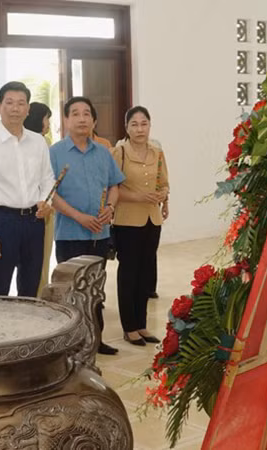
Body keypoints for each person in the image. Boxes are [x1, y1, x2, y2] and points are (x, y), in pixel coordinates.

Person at [50, 97, 124, 356]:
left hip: (100, 234)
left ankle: (95, 339)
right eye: (75, 114)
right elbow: (51, 194)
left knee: (95, 290)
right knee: (71, 292)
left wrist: (110, 208)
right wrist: (79, 216)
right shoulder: (55, 152)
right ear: (66, 120)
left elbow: (115, 184)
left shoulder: (103, 152)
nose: (82, 119)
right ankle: (71, 345)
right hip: (70, 234)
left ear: (94, 120)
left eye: (86, 114)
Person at [0, 82, 55, 297]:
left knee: (31, 284)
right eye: (9, 103)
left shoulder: (38, 142)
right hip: (2, 221)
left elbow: (48, 179)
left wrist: (48, 203)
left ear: (28, 109)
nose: (15, 108)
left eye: (21, 103)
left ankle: (28, 329)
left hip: (34, 221)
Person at [111, 106, 168, 346]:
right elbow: (112, 188)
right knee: (129, 274)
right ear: (127, 128)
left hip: (152, 220)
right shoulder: (119, 152)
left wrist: (164, 196)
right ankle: (129, 327)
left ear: (150, 125)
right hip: (127, 221)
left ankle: (142, 325)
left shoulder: (157, 152)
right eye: (134, 124)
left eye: (144, 123)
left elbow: (164, 183)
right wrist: (139, 197)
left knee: (145, 273)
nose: (139, 129)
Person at [22, 102, 54, 295]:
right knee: (40, 260)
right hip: (40, 208)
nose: (48, 123)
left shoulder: (42, 142)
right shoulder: (40, 143)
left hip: (44, 206)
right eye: (47, 118)